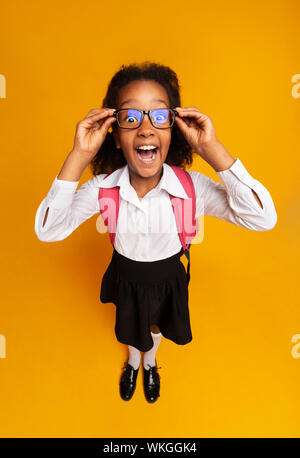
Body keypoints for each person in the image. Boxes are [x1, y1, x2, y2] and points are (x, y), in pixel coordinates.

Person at [34, 61, 277, 403]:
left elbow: (262, 217)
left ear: (173, 130)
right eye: (131, 118)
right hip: (126, 274)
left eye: (159, 117)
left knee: (156, 327)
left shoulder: (193, 188)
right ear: (115, 136)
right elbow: (49, 229)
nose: (146, 128)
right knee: (133, 329)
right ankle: (134, 361)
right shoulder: (104, 189)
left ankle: (150, 365)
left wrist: (212, 150)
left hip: (168, 276)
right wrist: (79, 155)